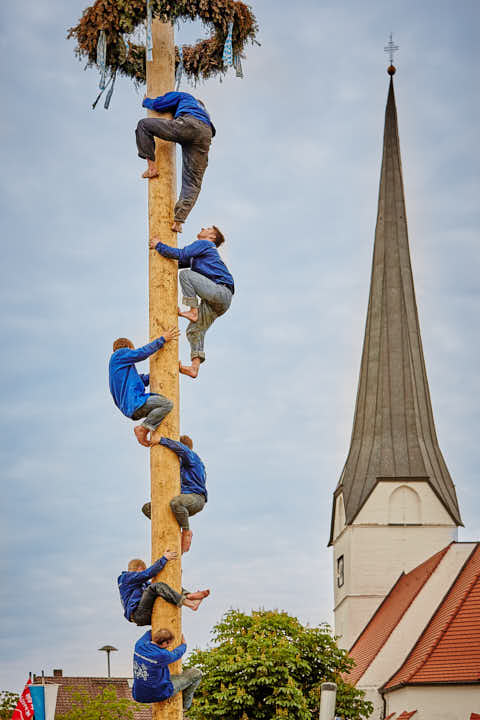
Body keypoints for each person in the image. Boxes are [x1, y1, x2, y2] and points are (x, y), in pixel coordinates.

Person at [149, 226, 234, 379]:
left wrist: (158, 245)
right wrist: (162, 253)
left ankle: (192, 311)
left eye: (207, 228)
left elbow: (180, 254)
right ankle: (194, 368)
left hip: (220, 291)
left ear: (212, 237)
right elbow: (178, 260)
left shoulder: (206, 244)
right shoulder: (199, 255)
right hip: (220, 302)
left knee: (186, 275)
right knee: (194, 331)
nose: (202, 228)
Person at [136, 91, 216, 233]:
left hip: (189, 125)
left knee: (143, 125)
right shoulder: (204, 112)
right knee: (193, 182)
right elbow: (212, 131)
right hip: (205, 135)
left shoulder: (186, 97)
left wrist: (146, 101)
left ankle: (152, 168)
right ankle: (179, 221)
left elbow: (159, 104)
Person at [109, 332, 179, 447]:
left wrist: (170, 368)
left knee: (160, 405)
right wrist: (162, 339)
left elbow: (145, 379)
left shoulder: (121, 370)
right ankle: (143, 428)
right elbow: (140, 353)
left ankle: (146, 426)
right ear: (129, 347)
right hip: (135, 403)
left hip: (132, 409)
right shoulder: (119, 354)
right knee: (166, 404)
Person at [142, 435, 207, 553]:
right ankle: (168, 532)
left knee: (177, 503)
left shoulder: (192, 457)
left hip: (196, 498)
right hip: (182, 500)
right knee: (148, 508)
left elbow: (183, 450)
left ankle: (186, 532)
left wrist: (162, 440)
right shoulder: (178, 465)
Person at [118, 556, 210, 625]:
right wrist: (164, 558)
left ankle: (189, 596)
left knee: (164, 586)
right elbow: (147, 574)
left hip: (146, 613)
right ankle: (190, 603)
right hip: (138, 614)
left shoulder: (141, 585)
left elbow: (164, 588)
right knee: (156, 586)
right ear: (139, 569)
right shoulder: (125, 578)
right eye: (142, 571)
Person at [132, 628, 202, 717]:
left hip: (138, 694)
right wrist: (184, 644)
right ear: (165, 643)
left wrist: (160, 631)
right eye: (169, 644)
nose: (169, 646)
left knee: (166, 676)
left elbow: (149, 632)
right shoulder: (162, 655)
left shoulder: (139, 645)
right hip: (159, 693)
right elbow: (177, 653)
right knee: (196, 673)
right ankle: (185, 706)